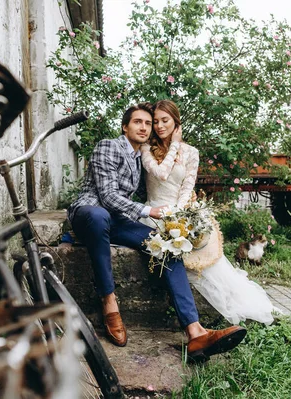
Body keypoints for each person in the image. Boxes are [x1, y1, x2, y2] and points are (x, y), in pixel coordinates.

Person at [67, 103, 247, 362]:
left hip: (118, 220)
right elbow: (106, 197)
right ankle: (109, 302)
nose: (144, 127)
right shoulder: (109, 146)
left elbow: (154, 184)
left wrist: (182, 214)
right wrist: (150, 211)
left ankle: (195, 333)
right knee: (99, 215)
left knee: (166, 247)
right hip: (90, 213)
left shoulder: (142, 156)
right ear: (124, 127)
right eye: (138, 122)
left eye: (148, 123)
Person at [140, 100, 276, 325]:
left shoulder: (191, 152)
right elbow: (161, 173)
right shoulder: (147, 149)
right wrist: (173, 145)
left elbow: (187, 186)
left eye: (165, 121)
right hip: (154, 211)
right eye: (156, 122)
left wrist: (179, 215)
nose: (160, 126)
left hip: (179, 211)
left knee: (211, 259)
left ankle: (232, 301)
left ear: (176, 122)